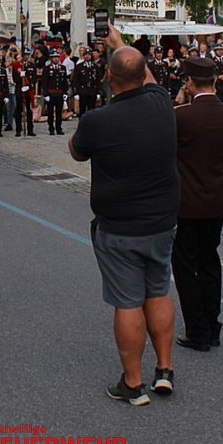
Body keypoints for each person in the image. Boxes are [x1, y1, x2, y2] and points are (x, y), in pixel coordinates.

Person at [68, 28, 178, 406]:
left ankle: (133, 383)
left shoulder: (99, 120)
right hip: (162, 220)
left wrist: (116, 51)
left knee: (128, 302)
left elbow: (77, 152)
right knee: (158, 291)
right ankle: (164, 369)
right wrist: (120, 45)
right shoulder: (162, 104)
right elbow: (147, 78)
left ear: (108, 77)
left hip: (119, 225)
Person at [171, 56, 223, 352]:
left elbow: (168, 148)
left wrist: (178, 102)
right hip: (216, 199)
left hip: (186, 202)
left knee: (185, 265)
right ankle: (212, 325)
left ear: (189, 82)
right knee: (210, 261)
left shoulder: (180, 117)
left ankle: (197, 329)